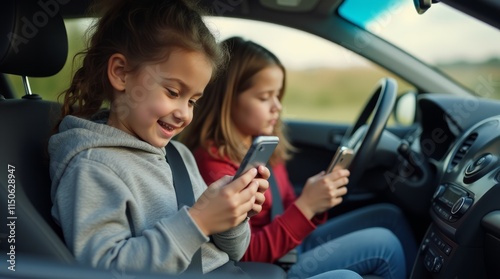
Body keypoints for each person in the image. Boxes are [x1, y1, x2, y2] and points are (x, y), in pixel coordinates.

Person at [48, 1, 362, 278]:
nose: (184, 113)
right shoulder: (93, 167)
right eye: (173, 92)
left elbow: (235, 251)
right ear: (120, 73)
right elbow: (104, 269)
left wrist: (233, 215)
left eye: (193, 100)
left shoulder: (180, 154)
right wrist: (198, 221)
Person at [180, 36, 417, 279]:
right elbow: (243, 255)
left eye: (278, 95)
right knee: (384, 245)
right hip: (269, 266)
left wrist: (315, 198)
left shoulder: (261, 146)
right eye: (264, 97)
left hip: (290, 245)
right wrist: (307, 206)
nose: (277, 106)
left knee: (390, 215)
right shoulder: (215, 170)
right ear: (227, 100)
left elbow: (284, 206)